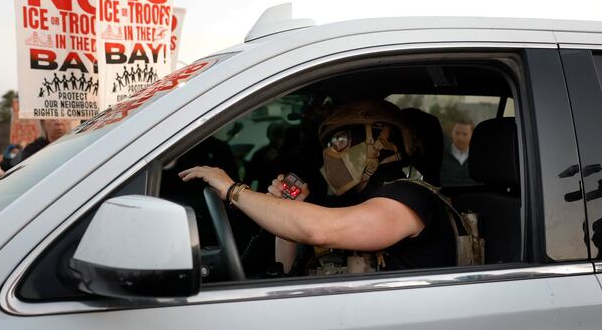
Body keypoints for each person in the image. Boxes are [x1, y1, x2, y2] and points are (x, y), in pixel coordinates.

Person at [180, 99, 457, 275]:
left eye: (340, 141)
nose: (331, 153)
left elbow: (320, 231)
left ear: (383, 141)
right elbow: (286, 271)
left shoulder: (411, 198)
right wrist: (289, 209)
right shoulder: (347, 204)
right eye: (328, 145)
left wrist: (233, 190)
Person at [441, 118, 475, 186]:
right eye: (457, 133)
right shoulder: (440, 154)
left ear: (472, 135)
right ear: (451, 133)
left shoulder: (478, 158)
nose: (460, 138)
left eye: (465, 134)